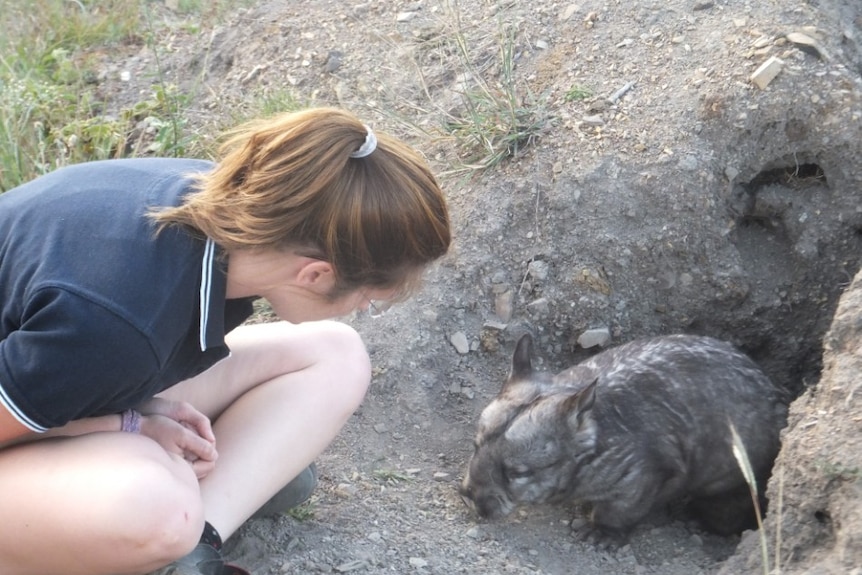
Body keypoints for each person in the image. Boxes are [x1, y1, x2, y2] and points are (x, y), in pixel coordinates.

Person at [0, 107, 451, 575]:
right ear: (315, 274)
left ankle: (194, 548)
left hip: (65, 375)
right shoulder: (120, 320)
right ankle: (158, 527)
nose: (362, 309)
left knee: (335, 353)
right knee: (158, 513)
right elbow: (101, 343)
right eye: (368, 299)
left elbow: (81, 360)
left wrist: (134, 409)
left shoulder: (240, 211)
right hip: (47, 389)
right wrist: (129, 424)